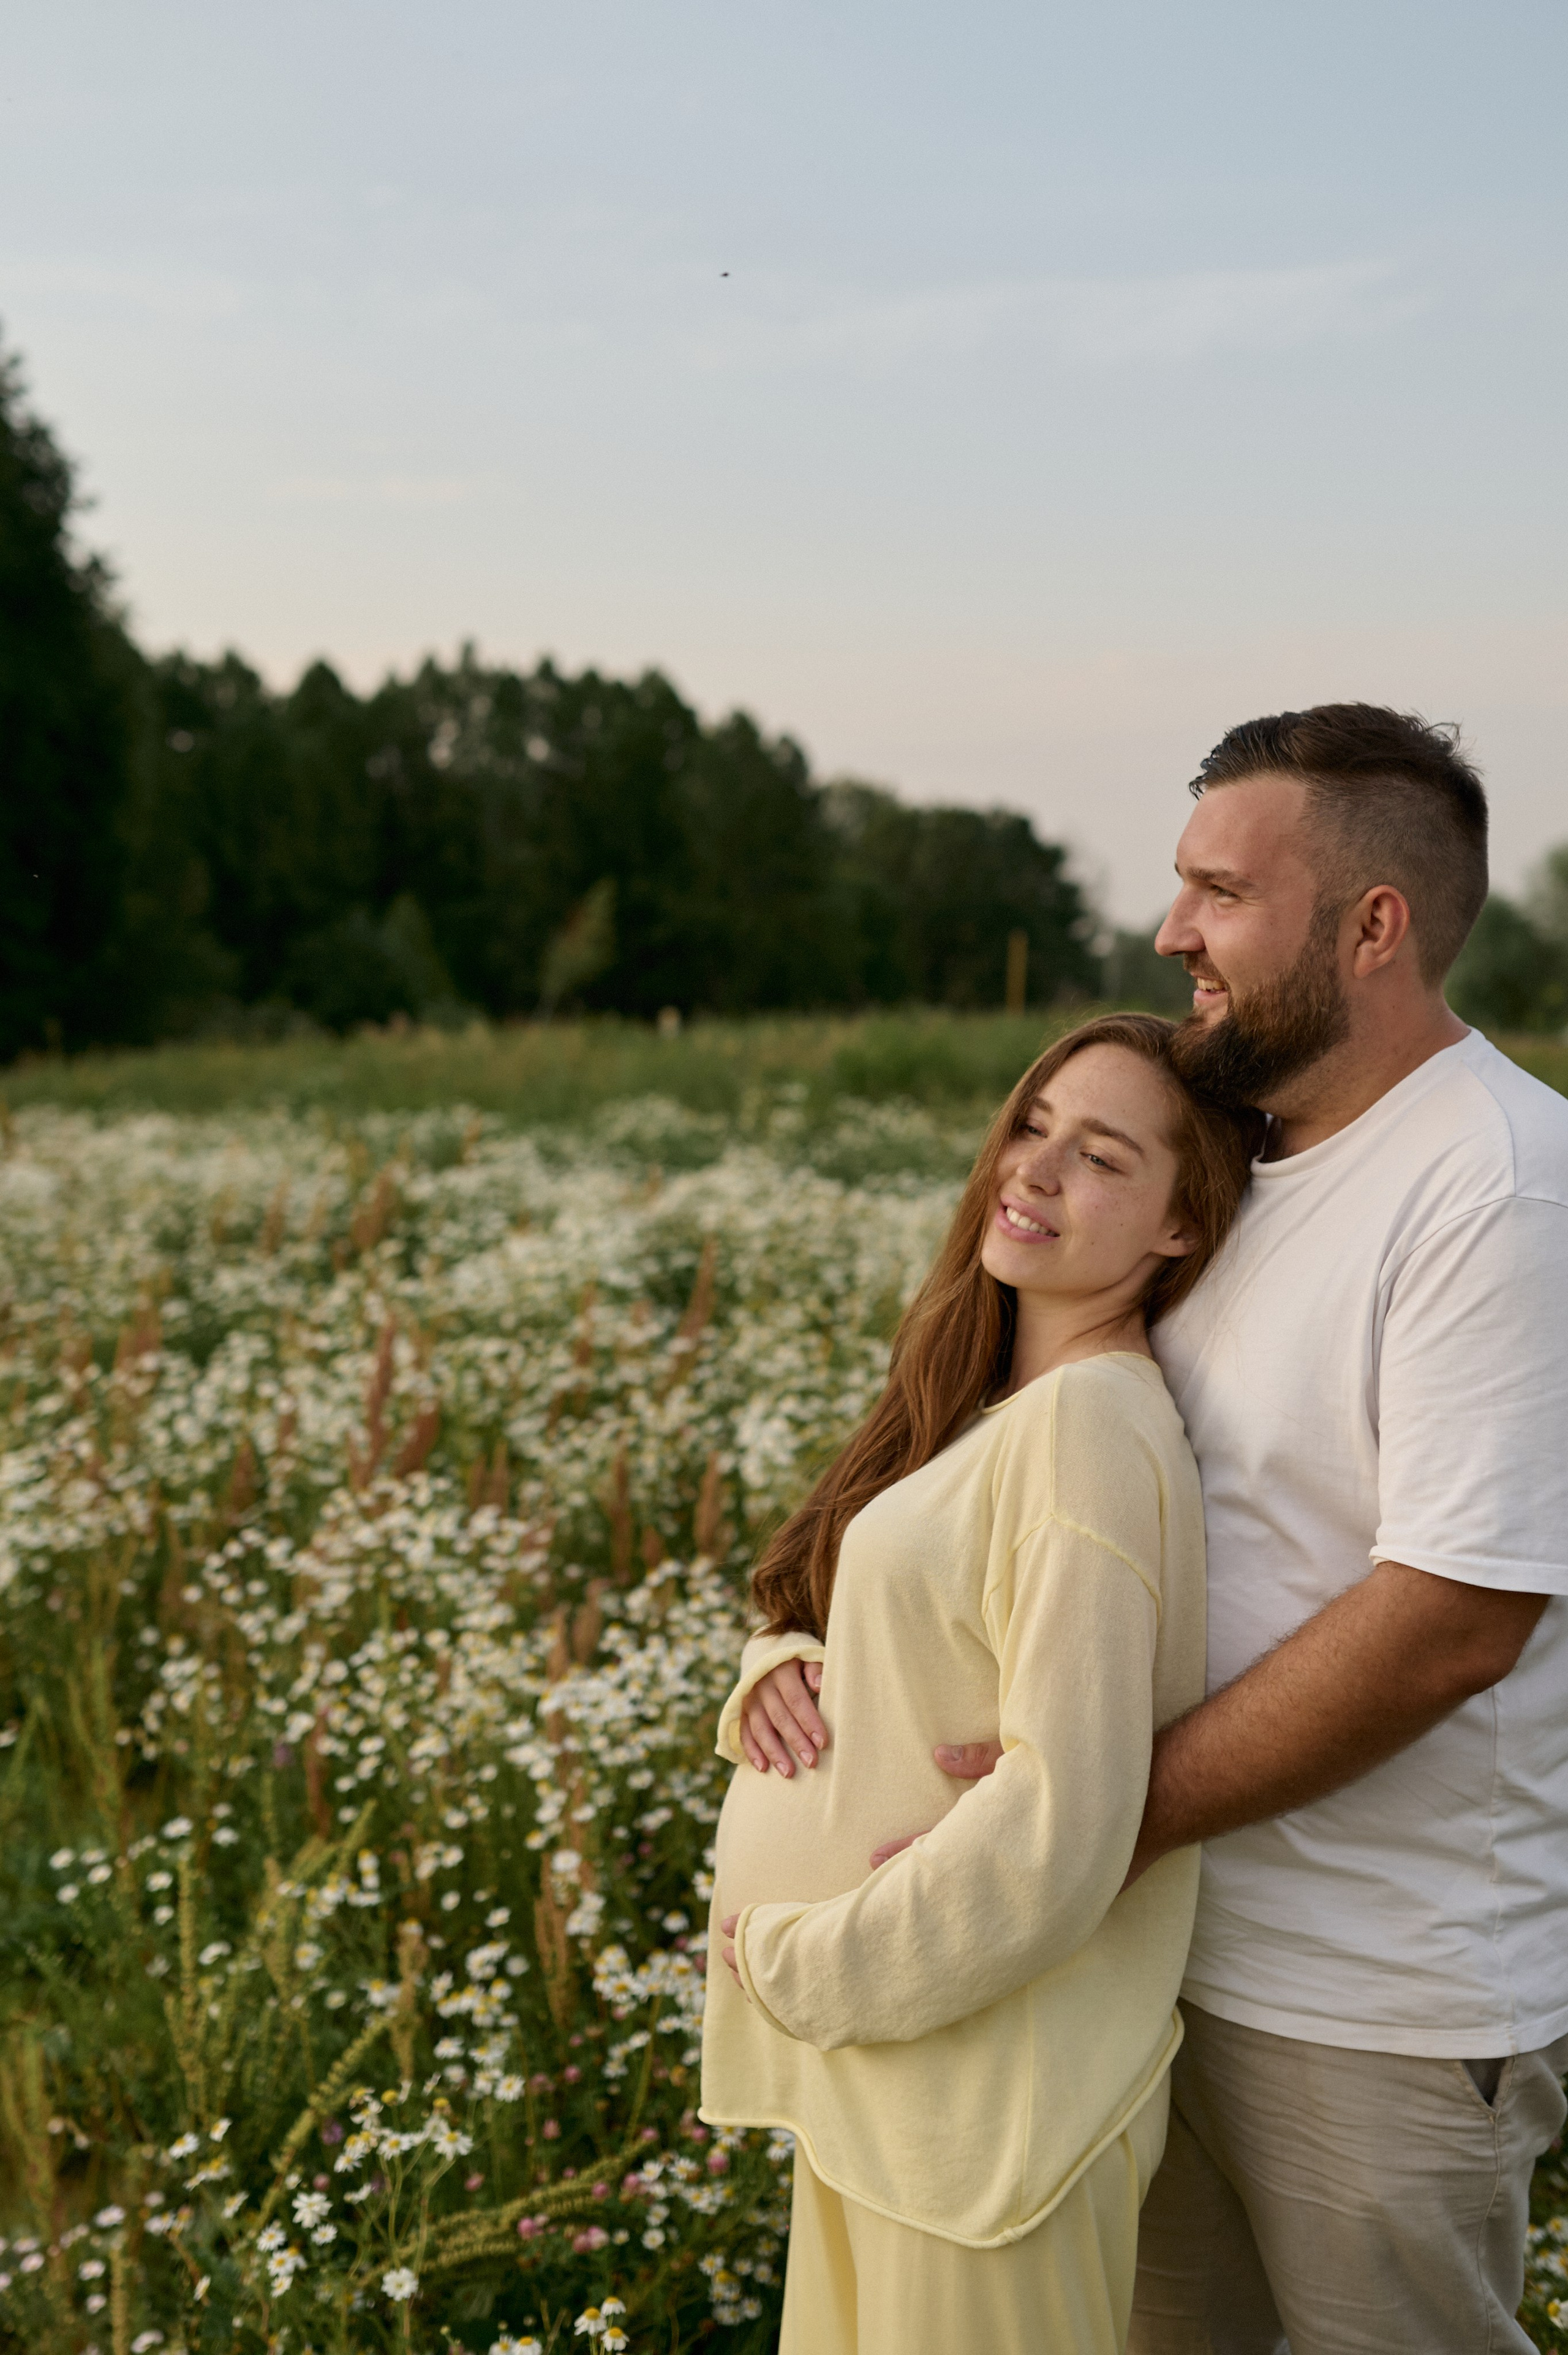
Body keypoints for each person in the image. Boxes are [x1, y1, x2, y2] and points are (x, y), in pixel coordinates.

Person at [744, 704, 1568, 2354]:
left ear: (1372, 925)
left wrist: (1091, 1819)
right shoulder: (1248, 1160)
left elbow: (1457, 1615)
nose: (1168, 927)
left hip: (1372, 1999)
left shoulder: (1499, 1180)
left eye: (1217, 891)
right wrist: (797, 1647)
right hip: (1141, 1966)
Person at [700, 1014, 1258, 2355]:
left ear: (1177, 1227)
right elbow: (902, 1614)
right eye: (1033, 1123)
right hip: (901, 2093)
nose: (1036, 1169)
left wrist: (798, 1964)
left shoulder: (1085, 1425)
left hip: (983, 2110)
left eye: (1102, 1157)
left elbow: (1062, 1823)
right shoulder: (991, 1401)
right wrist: (781, 1663)